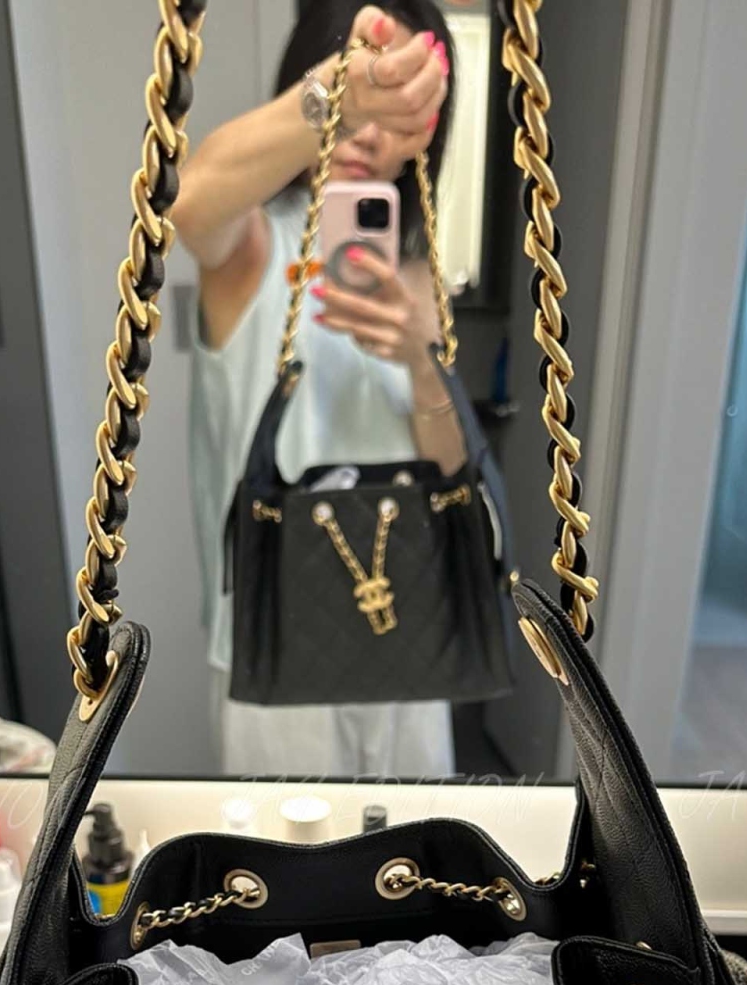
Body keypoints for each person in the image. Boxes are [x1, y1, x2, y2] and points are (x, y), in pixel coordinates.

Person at [172, 2, 463, 778]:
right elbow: (189, 201)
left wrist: (420, 361)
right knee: (285, 858)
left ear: (427, 128)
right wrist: (338, 93)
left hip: (407, 626)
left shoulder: (419, 280)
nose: (367, 132)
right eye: (363, 97)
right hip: (279, 641)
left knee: (423, 847)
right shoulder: (252, 247)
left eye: (395, 108)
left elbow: (451, 472)